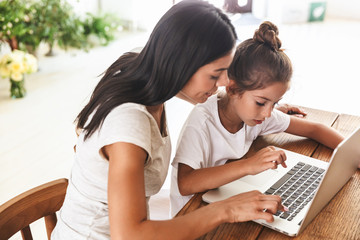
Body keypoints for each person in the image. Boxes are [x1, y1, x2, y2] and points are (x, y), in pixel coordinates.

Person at [51, 2, 288, 239]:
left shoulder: (140, 73)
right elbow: (130, 234)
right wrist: (227, 209)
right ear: (180, 64)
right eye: (215, 75)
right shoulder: (130, 124)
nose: (225, 82)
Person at [169, 21, 345, 217]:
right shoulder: (202, 121)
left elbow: (315, 129)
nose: (268, 113)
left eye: (275, 103)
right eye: (261, 102)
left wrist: (352, 155)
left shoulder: (257, 115)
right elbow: (185, 184)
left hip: (226, 195)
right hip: (193, 213)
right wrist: (249, 165)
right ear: (232, 88)